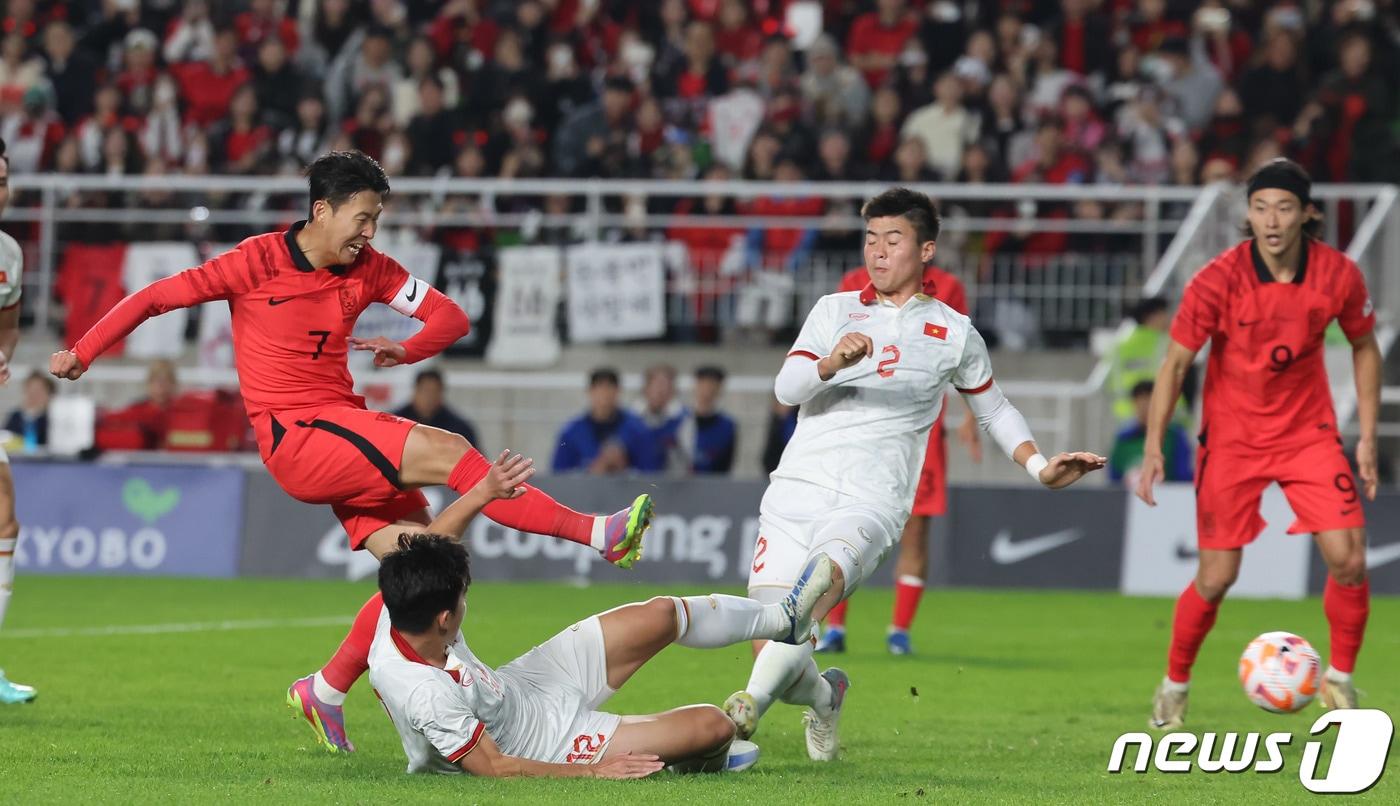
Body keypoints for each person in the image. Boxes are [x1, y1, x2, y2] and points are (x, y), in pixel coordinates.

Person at [50, 151, 655, 751]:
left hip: (340, 427)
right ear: (322, 210)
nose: (370, 233)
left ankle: (327, 688)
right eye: (362, 217)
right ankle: (600, 534)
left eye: (378, 220)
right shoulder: (255, 261)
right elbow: (156, 297)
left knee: (425, 567)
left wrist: (409, 350)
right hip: (300, 435)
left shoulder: (371, 269)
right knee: (452, 451)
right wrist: (83, 350)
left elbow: (452, 317)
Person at [723, 187, 1105, 759]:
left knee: (805, 602)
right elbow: (786, 388)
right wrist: (832, 364)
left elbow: (994, 408)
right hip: (795, 490)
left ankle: (740, 715)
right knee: (776, 636)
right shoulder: (833, 311)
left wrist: (1038, 466)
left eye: (893, 239)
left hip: (872, 502)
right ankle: (826, 699)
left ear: (926, 249)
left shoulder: (953, 333)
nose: (878, 252)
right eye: (871, 238)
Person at [365, 468, 831, 777]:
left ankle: (781, 620)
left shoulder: (404, 602)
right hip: (541, 743)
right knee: (714, 726)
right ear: (444, 618)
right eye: (463, 597)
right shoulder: (425, 693)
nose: (467, 601)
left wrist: (484, 491)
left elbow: (434, 542)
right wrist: (590, 772)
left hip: (522, 685)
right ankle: (691, 760)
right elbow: (495, 766)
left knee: (661, 614)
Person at [1138, 159, 1380, 730]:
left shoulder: (1338, 274)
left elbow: (1366, 346)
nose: (1272, 220)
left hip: (1307, 435)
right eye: (1261, 207)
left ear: (1307, 213)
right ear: (1249, 214)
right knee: (1218, 577)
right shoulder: (1216, 280)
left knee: (1348, 559)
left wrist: (1367, 434)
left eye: (1285, 207)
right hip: (1233, 440)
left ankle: (1339, 683)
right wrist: (1154, 444)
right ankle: (1174, 685)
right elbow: (1175, 364)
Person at [817, 260, 982, 656]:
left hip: (919, 432)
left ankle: (899, 632)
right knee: (842, 525)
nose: (883, 247)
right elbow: (831, 351)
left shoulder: (948, 286)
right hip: (860, 428)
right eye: (876, 236)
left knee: (915, 530)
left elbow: (962, 354)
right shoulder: (852, 282)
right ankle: (834, 629)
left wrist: (969, 415)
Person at [0, 136, 34, 704]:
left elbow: (8, 320)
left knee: (5, 520)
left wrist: (4, 354)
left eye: (3, 181)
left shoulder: (8, 252)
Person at [552, 368, 652, 475]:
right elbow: (558, 474)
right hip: (585, 490)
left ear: (618, 391)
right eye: (599, 387)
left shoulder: (637, 429)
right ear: (590, 391)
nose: (605, 393)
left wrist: (625, 467)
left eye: (610, 387)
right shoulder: (571, 432)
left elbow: (651, 473)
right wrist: (592, 469)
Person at [1108, 381, 1192, 485]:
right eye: (1140, 401)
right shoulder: (1123, 439)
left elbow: (1183, 477)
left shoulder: (1175, 436)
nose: (1145, 407)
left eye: (1149, 401)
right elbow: (1114, 479)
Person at [394, 368, 478, 447]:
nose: (429, 398)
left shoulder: (458, 428)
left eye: (434, 392)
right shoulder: (396, 422)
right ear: (415, 391)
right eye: (426, 391)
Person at [677, 365, 737, 475]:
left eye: (712, 385)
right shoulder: (680, 420)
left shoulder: (727, 426)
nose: (707, 390)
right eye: (703, 384)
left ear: (719, 388)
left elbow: (725, 465)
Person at [5, 371, 54, 451]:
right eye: (31, 389)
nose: (34, 394)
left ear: (48, 393)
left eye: (38, 390)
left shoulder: (51, 418)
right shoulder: (15, 417)